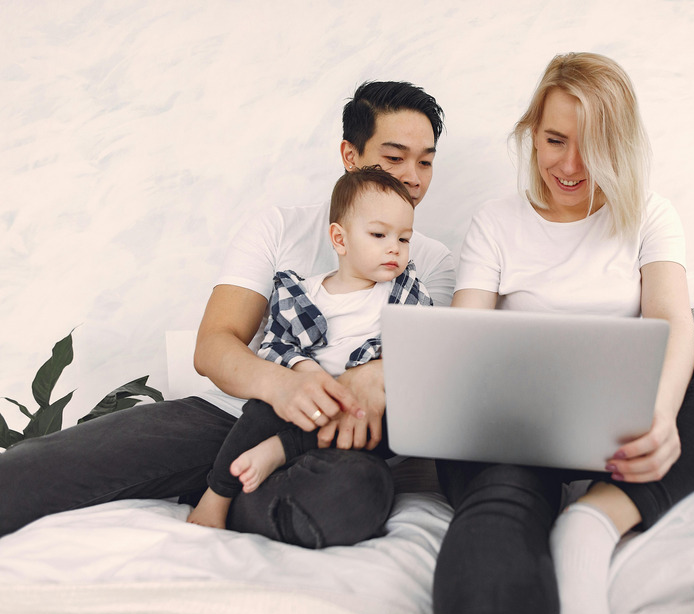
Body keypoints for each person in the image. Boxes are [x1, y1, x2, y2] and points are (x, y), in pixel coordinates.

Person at [0, 81, 455, 549]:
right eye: (395, 157)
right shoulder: (280, 228)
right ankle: (222, 480)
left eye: (425, 161)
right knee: (28, 474)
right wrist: (283, 385)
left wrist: (372, 378)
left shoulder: (432, 263)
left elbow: (424, 363)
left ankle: (221, 493)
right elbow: (214, 345)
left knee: (354, 495)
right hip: (235, 417)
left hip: (334, 440)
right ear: (350, 154)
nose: (412, 176)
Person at [432, 53, 694, 614]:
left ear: (621, 146)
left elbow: (670, 321)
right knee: (494, 509)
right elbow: (464, 342)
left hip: (617, 433)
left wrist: (660, 414)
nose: (572, 165)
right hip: (518, 435)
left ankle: (598, 517)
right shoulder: (495, 223)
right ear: (532, 135)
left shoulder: (649, 215)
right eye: (556, 140)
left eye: (595, 144)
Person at [187, 166, 433, 529]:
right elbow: (276, 344)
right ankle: (217, 494)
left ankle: (280, 450)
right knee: (259, 411)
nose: (394, 248)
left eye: (405, 238)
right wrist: (306, 373)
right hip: (304, 401)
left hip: (364, 413)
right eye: (379, 234)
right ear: (340, 239)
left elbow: (422, 351)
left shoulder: (405, 293)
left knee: (396, 426)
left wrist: (380, 378)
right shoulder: (304, 293)